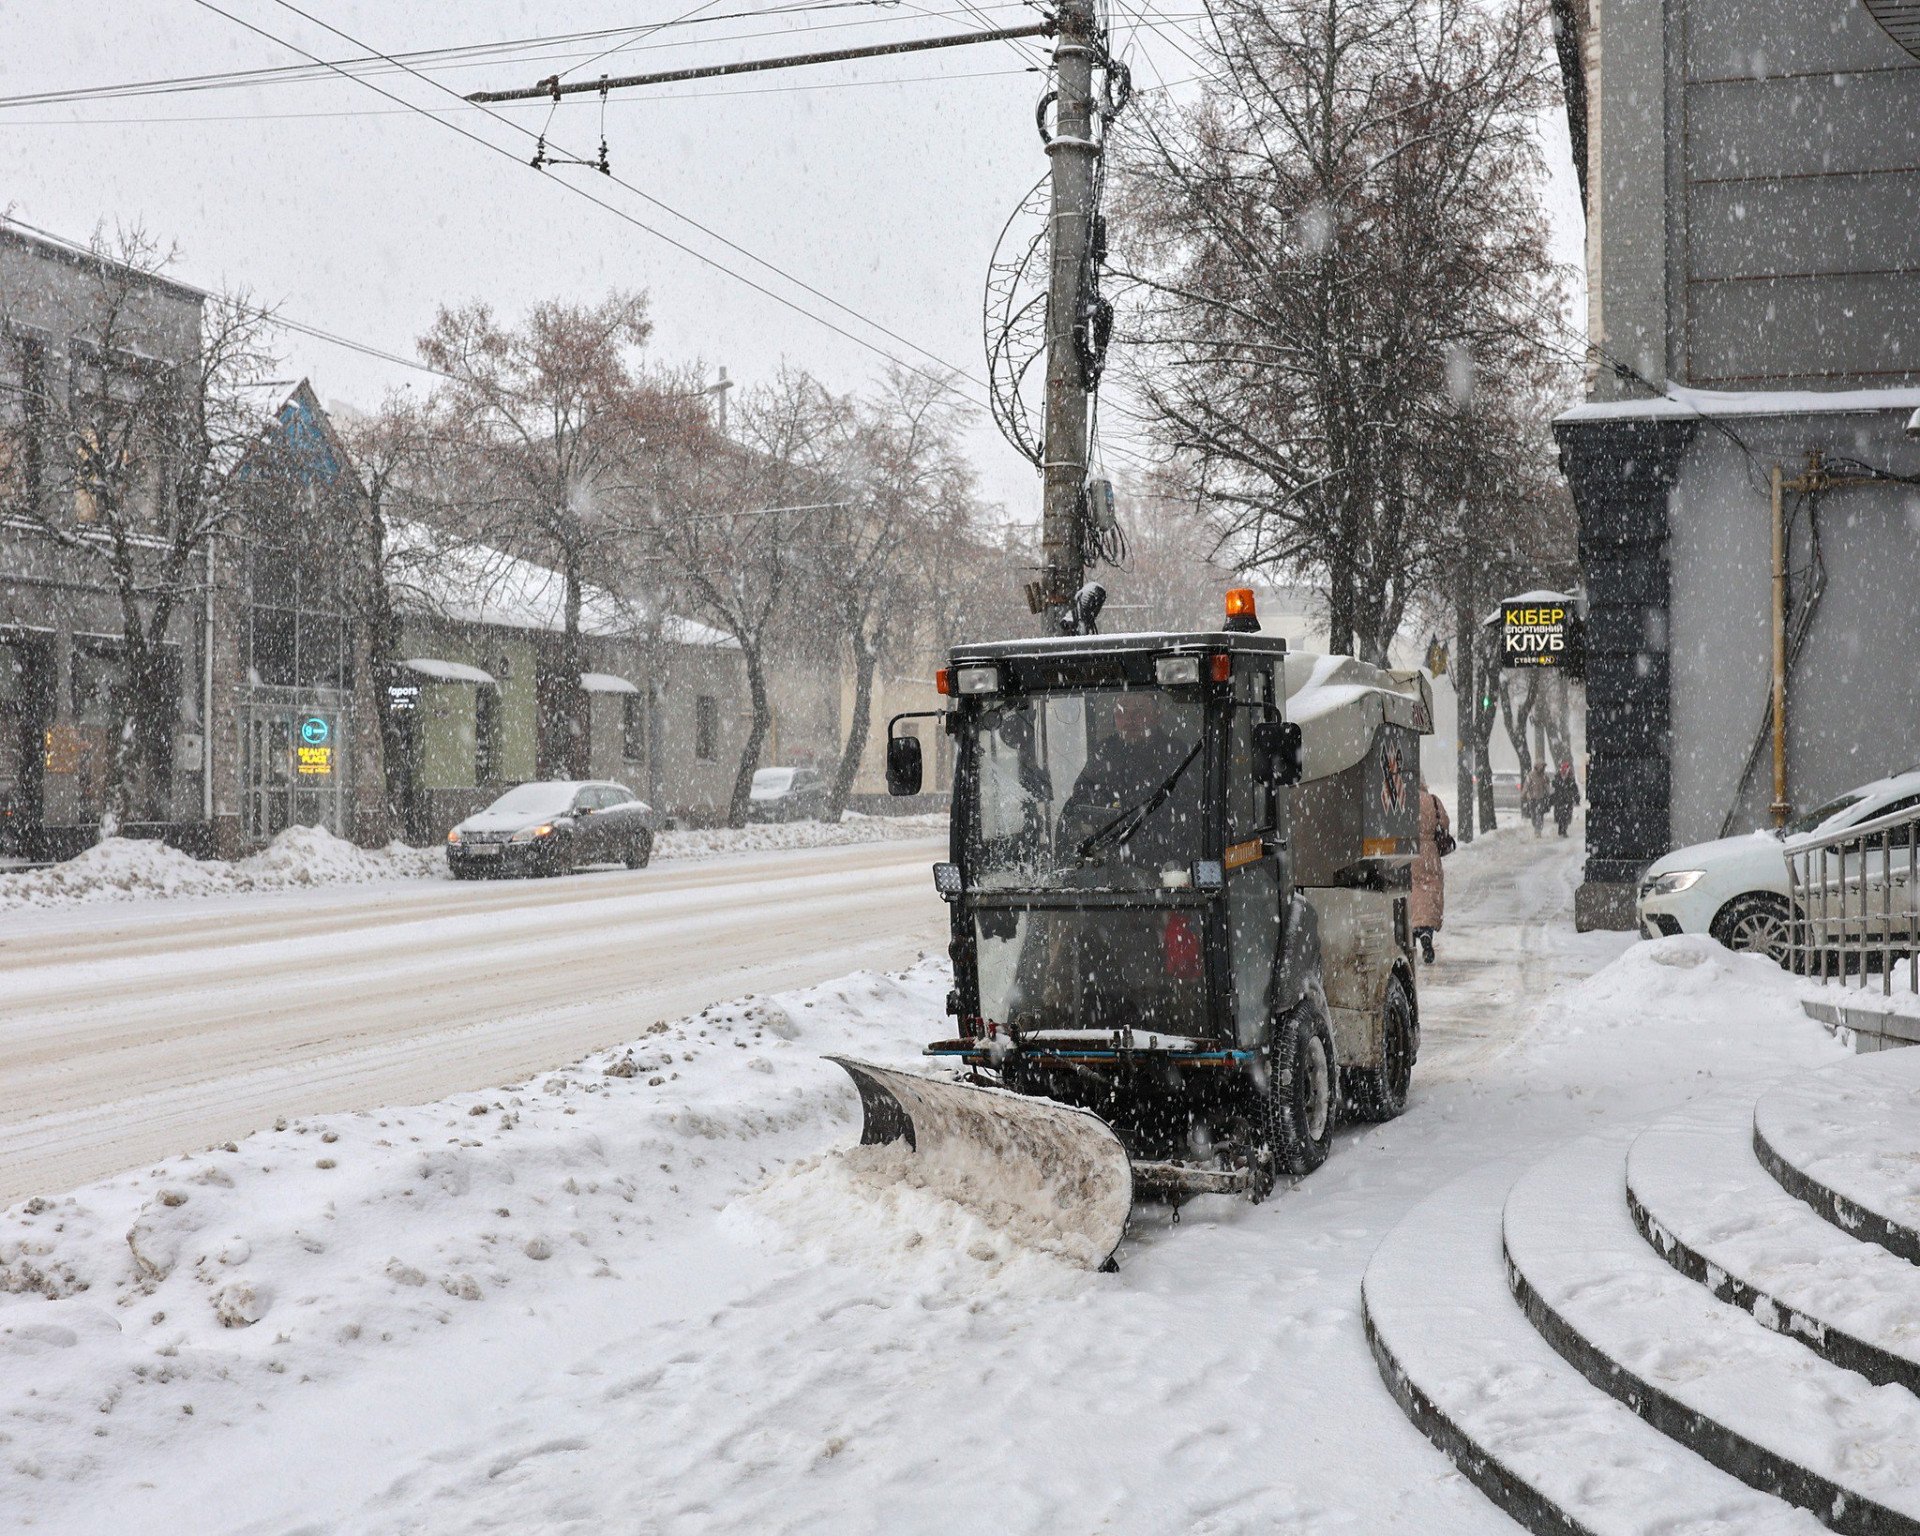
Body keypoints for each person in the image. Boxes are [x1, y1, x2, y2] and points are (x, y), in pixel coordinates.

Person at [1411, 778, 1451, 964]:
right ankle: (1426, 932)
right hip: (1429, 853)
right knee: (1430, 890)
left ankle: (1411, 930)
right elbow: (1444, 822)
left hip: (1408, 852)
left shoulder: (1404, 800)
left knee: (1411, 890)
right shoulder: (1432, 800)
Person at [1550, 760, 1581, 837]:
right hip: (1559, 800)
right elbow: (1553, 789)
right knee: (1560, 815)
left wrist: (1577, 799)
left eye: (1566, 767)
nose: (1564, 769)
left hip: (1568, 800)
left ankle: (1564, 830)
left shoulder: (1570, 778)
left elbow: (1575, 789)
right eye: (1563, 767)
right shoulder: (1557, 777)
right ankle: (1561, 829)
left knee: (1567, 815)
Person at [1522, 761, 1549, 836]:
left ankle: (1538, 830)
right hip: (1532, 798)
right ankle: (1536, 826)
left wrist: (1548, 793)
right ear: (1538, 767)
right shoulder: (1530, 776)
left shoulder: (1544, 776)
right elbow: (1526, 786)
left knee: (1539, 814)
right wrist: (1523, 794)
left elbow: (1547, 786)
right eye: (1542, 767)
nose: (1543, 769)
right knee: (1533, 814)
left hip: (1540, 798)